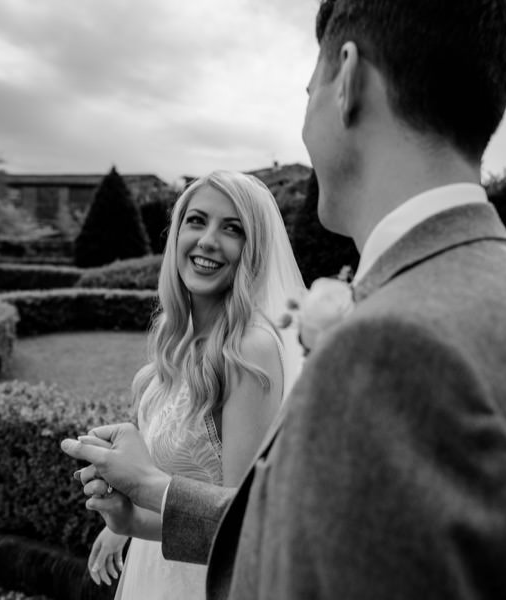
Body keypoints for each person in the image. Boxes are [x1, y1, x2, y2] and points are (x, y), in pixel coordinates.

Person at [63, 1, 506, 599]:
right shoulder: (502, 282)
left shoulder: (395, 339)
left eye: (308, 90)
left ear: (348, 79)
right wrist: (151, 509)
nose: (305, 123)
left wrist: (153, 485)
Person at [80, 170, 306, 598]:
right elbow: (165, 491)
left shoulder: (248, 351)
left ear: (253, 250)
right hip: (157, 568)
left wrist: (138, 504)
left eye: (232, 228)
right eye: (197, 220)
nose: (207, 240)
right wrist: (123, 520)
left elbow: (237, 528)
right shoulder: (174, 338)